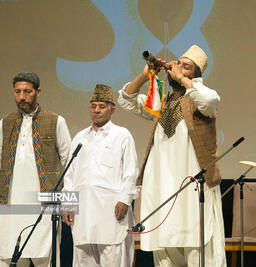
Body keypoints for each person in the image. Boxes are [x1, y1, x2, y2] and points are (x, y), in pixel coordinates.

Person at [118, 45, 226, 267]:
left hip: (192, 192)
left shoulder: (200, 98)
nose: (177, 68)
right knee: (165, 254)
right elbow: (126, 99)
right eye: (177, 63)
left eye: (186, 67)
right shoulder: (162, 101)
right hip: (163, 192)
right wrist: (144, 75)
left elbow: (210, 101)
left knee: (198, 251)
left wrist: (185, 80)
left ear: (196, 75)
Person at [62, 84, 139, 267]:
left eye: (102, 106)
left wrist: (125, 200)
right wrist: (68, 203)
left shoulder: (122, 135)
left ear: (112, 110)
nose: (96, 110)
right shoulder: (80, 137)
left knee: (113, 258)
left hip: (111, 212)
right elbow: (70, 176)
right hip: (84, 215)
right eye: (93, 106)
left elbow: (131, 171)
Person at [0, 72, 71, 267]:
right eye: (17, 92)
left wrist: (68, 204)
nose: (21, 97)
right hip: (11, 203)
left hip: (45, 203)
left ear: (38, 92)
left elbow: (69, 165)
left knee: (44, 257)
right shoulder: (5, 123)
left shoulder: (56, 121)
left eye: (27, 92)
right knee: (9, 255)